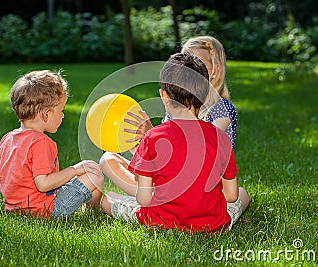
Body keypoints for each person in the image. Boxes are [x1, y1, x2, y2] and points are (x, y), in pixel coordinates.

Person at [101, 53, 249, 232]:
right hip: (213, 223)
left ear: (163, 96)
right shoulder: (220, 138)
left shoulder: (152, 137)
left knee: (108, 199)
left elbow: (144, 199)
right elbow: (231, 196)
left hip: (160, 220)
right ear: (205, 96)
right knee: (242, 193)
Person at [100, 35, 239, 196]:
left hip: (204, 188)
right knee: (108, 159)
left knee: (240, 194)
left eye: (196, 62)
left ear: (215, 71)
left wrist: (151, 134)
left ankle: (154, 200)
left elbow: (200, 151)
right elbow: (165, 158)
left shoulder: (222, 110)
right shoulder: (174, 107)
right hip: (171, 178)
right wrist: (140, 147)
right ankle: (158, 197)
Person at [0, 70, 104, 219]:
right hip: (46, 211)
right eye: (61, 110)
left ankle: (87, 207)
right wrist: (75, 169)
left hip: (14, 209)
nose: (63, 115)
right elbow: (43, 184)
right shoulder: (40, 142)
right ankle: (92, 213)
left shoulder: (8, 138)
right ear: (46, 114)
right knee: (93, 174)